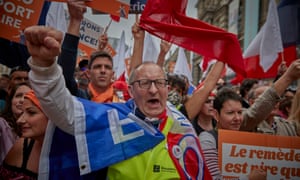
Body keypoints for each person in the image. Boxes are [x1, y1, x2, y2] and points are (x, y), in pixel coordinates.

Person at [24, 26, 212, 179]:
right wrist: (44, 68)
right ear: (130, 91)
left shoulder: (182, 126)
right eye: (144, 83)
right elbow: (65, 111)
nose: (153, 90)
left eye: (160, 83)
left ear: (167, 89)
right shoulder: (114, 119)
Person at [0, 90, 48, 179]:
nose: (20, 120)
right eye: (22, 113)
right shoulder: (23, 145)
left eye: (31, 112)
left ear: (52, 116)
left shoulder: (75, 150)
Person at [0, 83, 32, 164]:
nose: (22, 100)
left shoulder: (38, 130)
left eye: (27, 96)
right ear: (11, 101)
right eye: (18, 96)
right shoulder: (2, 124)